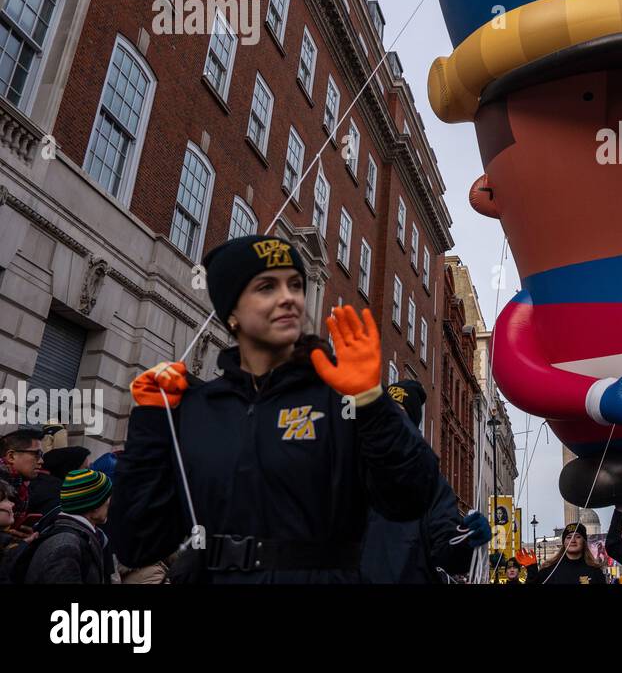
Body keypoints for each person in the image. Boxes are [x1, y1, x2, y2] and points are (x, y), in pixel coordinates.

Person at [109, 235, 441, 583]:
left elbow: (412, 496)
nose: (288, 298)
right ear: (231, 312)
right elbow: (138, 542)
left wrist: (372, 402)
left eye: (295, 285)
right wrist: (150, 422)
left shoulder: (338, 400)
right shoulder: (200, 408)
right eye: (266, 287)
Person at [361, 380, 491, 583]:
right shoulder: (349, 469)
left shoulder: (432, 486)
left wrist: (467, 539)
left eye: (400, 414)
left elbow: (448, 553)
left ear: (411, 425)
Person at [16, 469, 116, 584]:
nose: (110, 503)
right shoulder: (66, 545)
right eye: (108, 497)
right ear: (95, 505)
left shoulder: (79, 536)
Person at [0, 428, 43, 542]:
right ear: (11, 456)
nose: (41, 461)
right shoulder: (5, 484)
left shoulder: (19, 485)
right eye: (37, 454)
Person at [530, 522, 607, 585]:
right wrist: (531, 571)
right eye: (569, 537)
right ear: (564, 542)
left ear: (584, 542)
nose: (573, 540)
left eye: (578, 537)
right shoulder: (549, 570)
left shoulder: (595, 572)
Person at [25, 445, 90, 516]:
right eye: (85, 469)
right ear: (70, 469)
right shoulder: (59, 496)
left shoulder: (37, 483)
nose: (89, 473)